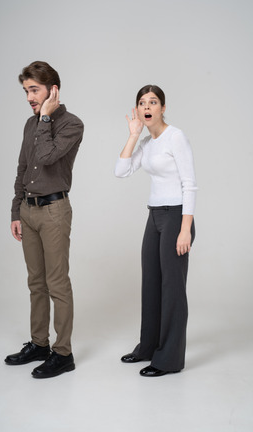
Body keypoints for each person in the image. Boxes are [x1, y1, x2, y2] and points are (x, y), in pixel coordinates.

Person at [5, 61, 84, 379]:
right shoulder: (29, 123)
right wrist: (15, 210)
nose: (28, 97)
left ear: (53, 90)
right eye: (25, 91)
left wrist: (47, 117)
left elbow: (47, 156)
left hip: (54, 211)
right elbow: (23, 167)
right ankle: (39, 344)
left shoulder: (72, 124)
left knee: (57, 284)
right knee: (35, 283)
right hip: (29, 210)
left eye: (33, 90)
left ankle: (63, 354)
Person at [115, 85, 197, 377]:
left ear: (163, 107)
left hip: (176, 217)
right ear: (137, 110)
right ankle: (148, 346)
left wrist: (185, 230)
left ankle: (169, 359)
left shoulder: (176, 137)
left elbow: (190, 184)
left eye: (153, 102)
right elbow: (121, 171)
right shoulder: (147, 144)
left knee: (172, 289)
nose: (147, 106)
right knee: (150, 283)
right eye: (141, 102)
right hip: (154, 216)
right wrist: (134, 134)